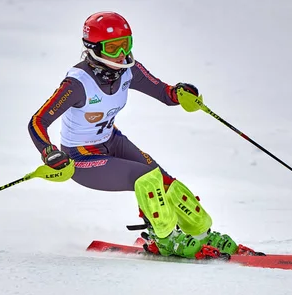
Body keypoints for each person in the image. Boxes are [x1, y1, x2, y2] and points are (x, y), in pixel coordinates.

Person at [28, 11, 258, 259]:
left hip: (111, 141)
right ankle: (166, 238)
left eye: (125, 45)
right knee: (146, 177)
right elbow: (38, 121)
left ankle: (202, 233)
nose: (121, 54)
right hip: (80, 157)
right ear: (92, 48)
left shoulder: (129, 70)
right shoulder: (77, 84)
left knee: (165, 181)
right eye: (112, 48)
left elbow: (164, 93)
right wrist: (49, 152)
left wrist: (180, 94)